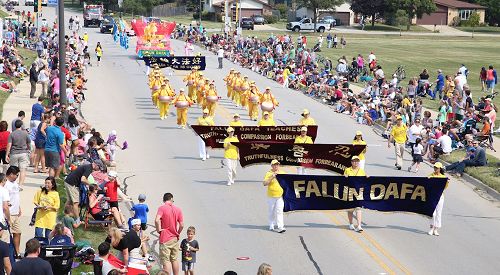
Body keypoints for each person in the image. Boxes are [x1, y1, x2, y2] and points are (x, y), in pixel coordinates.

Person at [155, 193, 184, 275]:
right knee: (174, 259)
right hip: (174, 238)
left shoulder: (162, 208)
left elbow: (157, 220)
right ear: (171, 199)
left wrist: (159, 230)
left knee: (166, 261)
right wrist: (177, 233)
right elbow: (182, 225)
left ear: (164, 200)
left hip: (165, 238)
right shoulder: (178, 209)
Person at [6, 120, 30, 190]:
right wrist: (29, 149)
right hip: (23, 153)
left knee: (13, 170)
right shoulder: (25, 133)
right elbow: (28, 142)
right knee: (23, 169)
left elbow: (9, 145)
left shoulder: (12, 134)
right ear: (21, 125)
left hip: (14, 153)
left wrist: (7, 154)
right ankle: (20, 185)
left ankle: (12, 184)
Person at [344, 156, 366, 232]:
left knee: (358, 208)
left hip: (359, 192)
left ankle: (359, 225)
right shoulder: (347, 170)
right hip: (349, 192)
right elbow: (343, 181)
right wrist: (345, 177)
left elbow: (365, 180)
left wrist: (368, 177)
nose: (355, 162)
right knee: (350, 209)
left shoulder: (361, 171)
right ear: (351, 162)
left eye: (357, 161)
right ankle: (351, 224)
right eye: (354, 161)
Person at [263, 160, 285, 233]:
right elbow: (264, 183)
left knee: (279, 211)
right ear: (272, 166)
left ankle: (280, 226)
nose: (276, 166)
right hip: (271, 196)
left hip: (280, 196)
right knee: (271, 211)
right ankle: (271, 224)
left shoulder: (282, 173)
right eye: (274, 165)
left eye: (277, 164)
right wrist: (272, 177)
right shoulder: (268, 173)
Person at [5, 166, 21, 258]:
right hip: (9, 213)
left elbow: (16, 196)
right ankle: (8, 254)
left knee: (18, 232)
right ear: (11, 174)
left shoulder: (14, 183)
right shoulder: (6, 184)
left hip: (16, 212)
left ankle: (17, 252)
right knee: (7, 235)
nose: (17, 177)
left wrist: (19, 207)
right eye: (16, 175)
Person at [428, 162, 447, 236]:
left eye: (437, 168)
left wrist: (447, 182)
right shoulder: (430, 175)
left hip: (440, 196)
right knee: (433, 213)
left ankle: (436, 229)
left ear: (440, 169)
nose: (435, 169)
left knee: (439, 213)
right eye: (435, 167)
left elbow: (444, 187)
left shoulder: (443, 177)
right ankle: (431, 227)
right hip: (432, 196)